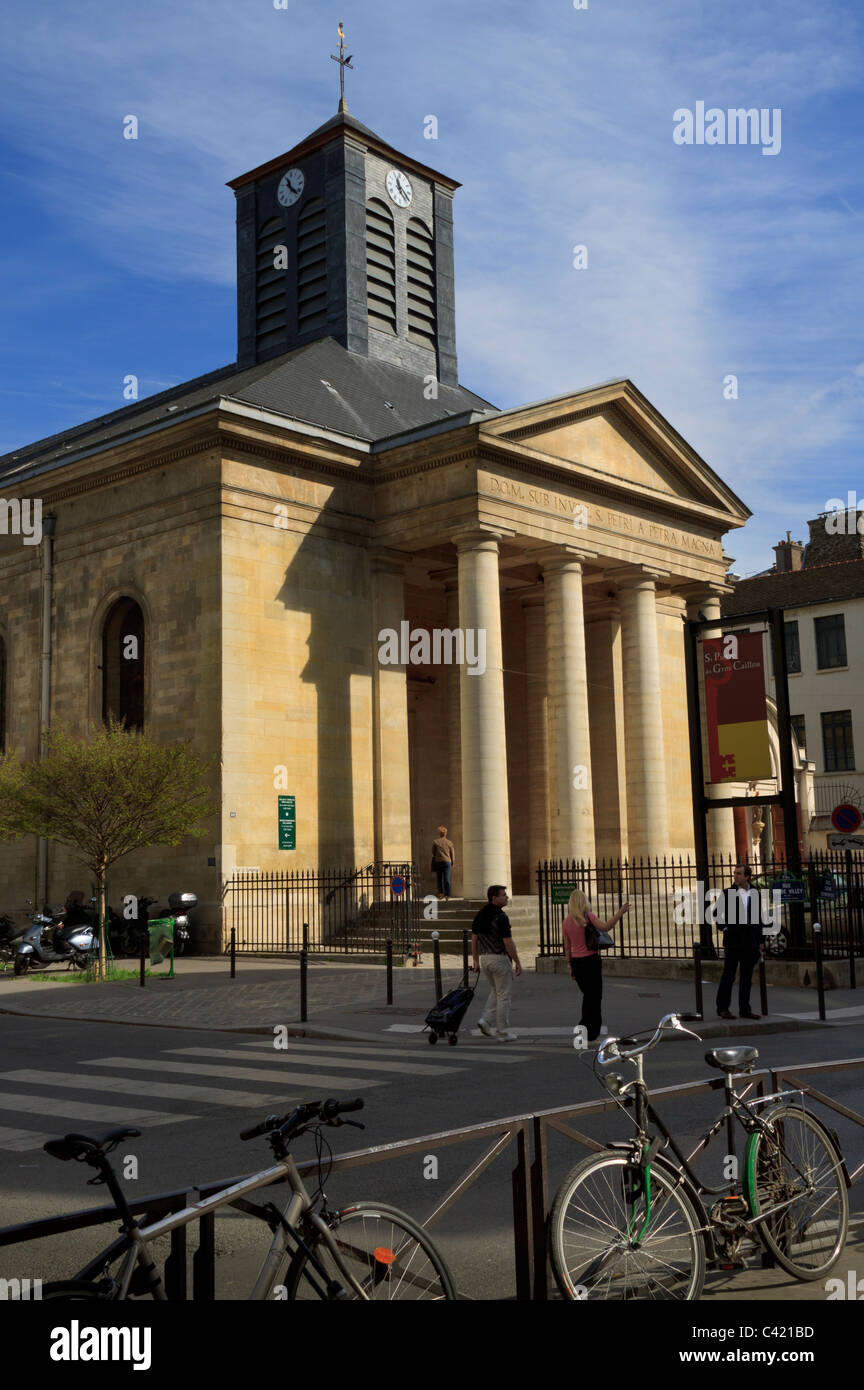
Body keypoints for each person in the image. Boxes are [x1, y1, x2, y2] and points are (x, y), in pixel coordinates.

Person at [562, 889, 630, 1043]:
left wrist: (570, 966)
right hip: (591, 962)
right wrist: (620, 912)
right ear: (583, 901)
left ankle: (585, 1029)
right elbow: (606, 927)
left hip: (577, 963)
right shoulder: (588, 917)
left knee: (588, 996)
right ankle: (589, 1031)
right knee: (594, 998)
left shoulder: (566, 922)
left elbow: (567, 947)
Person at [713, 863, 767, 1020]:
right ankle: (723, 1008)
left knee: (746, 977)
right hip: (733, 940)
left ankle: (745, 1009)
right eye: (734, 873)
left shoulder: (755, 893)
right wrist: (724, 928)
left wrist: (761, 940)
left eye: (739, 873)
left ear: (747, 877)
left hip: (750, 941)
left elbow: (759, 919)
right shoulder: (728, 893)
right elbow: (717, 913)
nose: (735, 876)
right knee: (728, 975)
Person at [471, 885, 522, 1042]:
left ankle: (485, 1020)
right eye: (503, 895)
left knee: (495, 991)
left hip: (485, 959)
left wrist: (475, 960)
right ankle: (502, 1032)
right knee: (504, 996)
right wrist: (517, 961)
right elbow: (508, 942)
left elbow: (474, 939)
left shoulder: (480, 915)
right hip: (499, 959)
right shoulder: (501, 917)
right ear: (494, 898)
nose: (506, 897)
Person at [53, 891, 90, 955]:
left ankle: (70, 948)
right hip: (69, 919)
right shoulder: (70, 908)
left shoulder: (79, 910)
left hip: (78, 921)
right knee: (60, 926)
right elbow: (65, 908)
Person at [431, 826, 455, 901]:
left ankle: (441, 894)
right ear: (446, 833)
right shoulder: (449, 842)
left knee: (439, 878)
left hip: (438, 861)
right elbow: (452, 854)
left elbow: (433, 852)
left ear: (440, 833)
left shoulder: (436, 842)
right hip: (447, 862)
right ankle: (447, 895)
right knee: (447, 879)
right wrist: (453, 862)